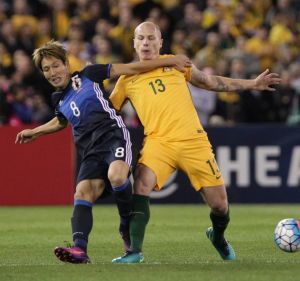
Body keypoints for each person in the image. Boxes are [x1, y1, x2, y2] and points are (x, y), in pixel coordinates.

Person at [110, 22, 281, 263]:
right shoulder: (126, 78)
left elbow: (209, 82)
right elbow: (109, 113)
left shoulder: (177, 63)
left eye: (151, 38)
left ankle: (218, 236)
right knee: (141, 184)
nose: (146, 43)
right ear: (134, 43)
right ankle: (135, 252)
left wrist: (252, 84)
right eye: (141, 38)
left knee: (220, 206)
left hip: (193, 141)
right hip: (159, 143)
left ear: (160, 43)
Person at [15, 40, 190, 264]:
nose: (52, 72)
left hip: (113, 136)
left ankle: (126, 224)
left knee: (117, 176)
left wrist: (171, 60)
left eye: (55, 65)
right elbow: (61, 121)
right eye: (46, 69)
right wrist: (36, 131)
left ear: (66, 64)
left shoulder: (90, 73)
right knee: (82, 193)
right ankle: (79, 249)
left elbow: (132, 67)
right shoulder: (58, 98)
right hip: (89, 151)